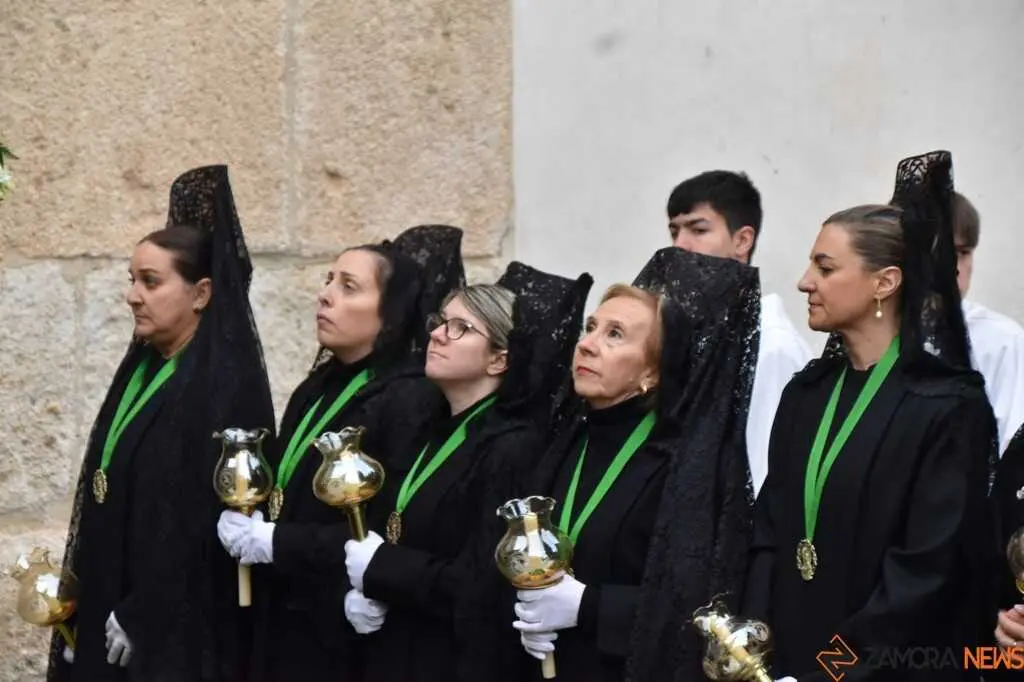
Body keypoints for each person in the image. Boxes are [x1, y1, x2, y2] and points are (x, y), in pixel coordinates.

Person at [744, 152, 997, 681]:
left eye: (825, 267)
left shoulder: (947, 407)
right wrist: (762, 654)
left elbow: (925, 578)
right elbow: (769, 532)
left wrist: (828, 673)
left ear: (885, 282)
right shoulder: (807, 394)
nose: (804, 282)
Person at [48, 166, 276, 682]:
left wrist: (145, 611)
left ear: (201, 294)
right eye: (132, 280)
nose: (133, 295)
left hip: (174, 627)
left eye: (151, 282)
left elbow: (203, 519)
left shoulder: (223, 386)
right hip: (112, 596)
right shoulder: (147, 365)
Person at [216, 225, 464, 682]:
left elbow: (390, 522)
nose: (325, 296)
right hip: (283, 611)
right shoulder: (317, 386)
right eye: (328, 281)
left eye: (348, 287)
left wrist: (276, 542)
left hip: (344, 625)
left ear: (391, 312)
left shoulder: (408, 397)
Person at [511, 246, 760, 681]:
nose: (586, 344)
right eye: (590, 328)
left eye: (615, 335)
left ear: (653, 372)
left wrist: (586, 607)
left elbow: (690, 603)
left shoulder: (680, 467)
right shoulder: (569, 440)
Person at [342, 265, 592, 682]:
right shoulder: (429, 428)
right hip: (395, 646)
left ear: (499, 359)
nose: (438, 334)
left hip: (452, 660)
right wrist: (366, 590)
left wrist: (382, 568)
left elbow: (480, 583)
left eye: (462, 328)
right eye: (440, 322)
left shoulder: (512, 447)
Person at [667, 170, 812, 495]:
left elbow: (763, 473)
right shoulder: (701, 332)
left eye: (698, 229)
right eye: (674, 231)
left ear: (742, 240)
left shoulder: (772, 345)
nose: (680, 246)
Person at [953, 191, 1024, 454]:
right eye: (938, 253)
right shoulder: (878, 330)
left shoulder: (1001, 341)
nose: (954, 267)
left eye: (962, 252)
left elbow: (1012, 449)